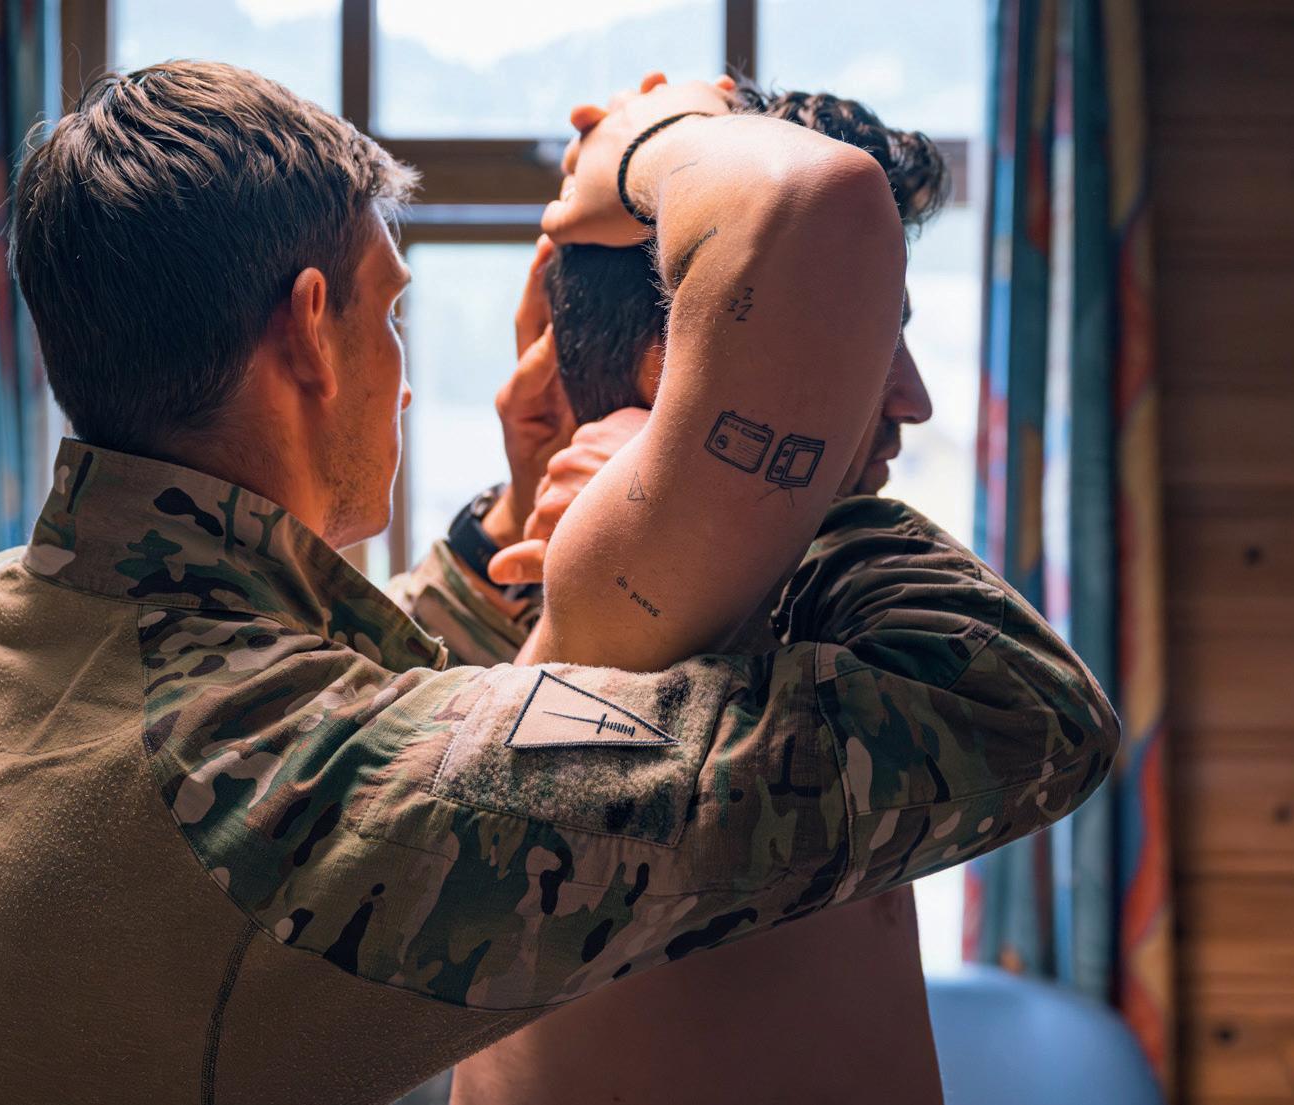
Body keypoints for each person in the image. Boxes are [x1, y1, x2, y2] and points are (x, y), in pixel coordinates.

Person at [0, 61, 1116, 1105]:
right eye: (390, 312)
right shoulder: (274, 788)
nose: (408, 374)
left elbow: (343, 707)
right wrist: (771, 476)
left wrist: (520, 521)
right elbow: (1008, 708)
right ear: (309, 330)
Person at [397, 83, 957, 1105]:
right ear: (693, 377)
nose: (912, 397)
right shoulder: (635, 636)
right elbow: (820, 200)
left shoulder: (734, 613)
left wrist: (523, 511)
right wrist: (648, 146)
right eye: (875, 334)